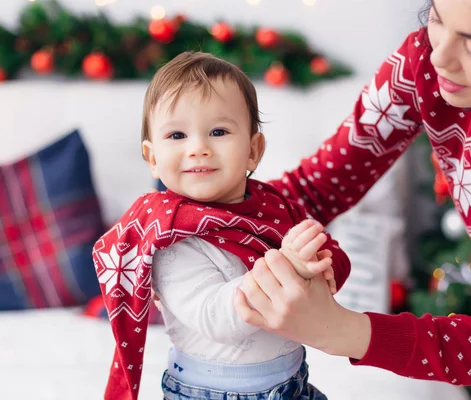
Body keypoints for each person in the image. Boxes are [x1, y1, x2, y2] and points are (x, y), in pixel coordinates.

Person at [233, 0, 471, 399]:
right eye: (438, 20)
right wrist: (198, 223)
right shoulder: (424, 61)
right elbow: (316, 187)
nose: (440, 55)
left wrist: (339, 330)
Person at [91, 51, 350, 400]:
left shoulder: (271, 207)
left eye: (218, 131)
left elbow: (319, 254)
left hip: (293, 381)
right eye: (177, 135)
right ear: (153, 158)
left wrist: (321, 265)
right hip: (211, 392)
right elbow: (218, 317)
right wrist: (289, 266)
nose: (199, 148)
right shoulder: (169, 236)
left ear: (253, 151)